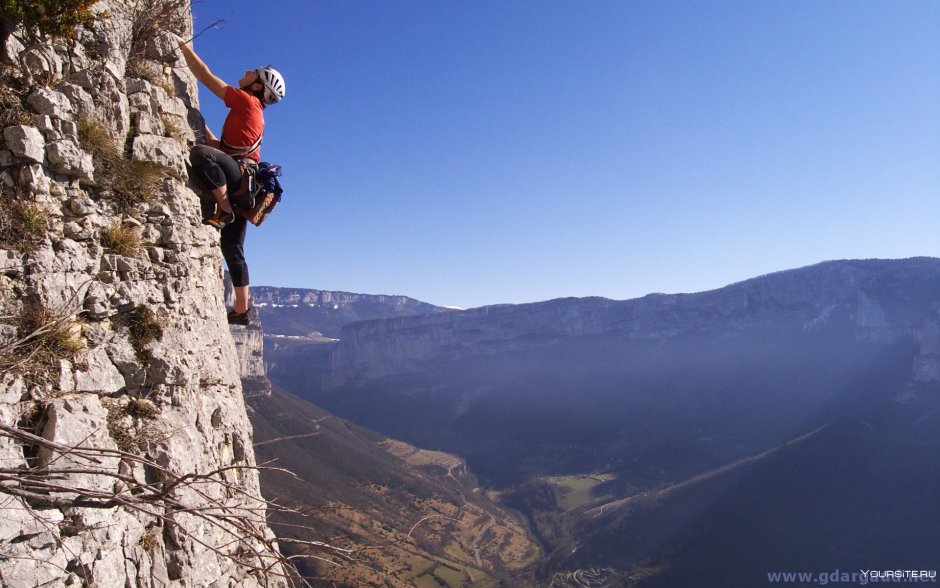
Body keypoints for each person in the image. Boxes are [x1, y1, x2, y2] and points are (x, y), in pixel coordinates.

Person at [177, 37, 285, 326]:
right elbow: (224, 148)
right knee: (233, 249)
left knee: (200, 155)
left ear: (258, 85)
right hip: (242, 185)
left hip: (235, 181)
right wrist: (197, 121)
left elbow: (205, 77)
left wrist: (183, 47)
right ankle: (241, 310)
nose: (249, 69)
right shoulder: (255, 114)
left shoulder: (247, 101)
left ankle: (222, 209)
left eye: (256, 71)